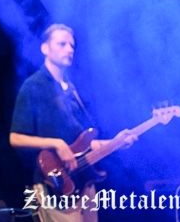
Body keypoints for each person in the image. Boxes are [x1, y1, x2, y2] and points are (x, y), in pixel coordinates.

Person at [9, 23, 136, 222]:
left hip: (84, 183)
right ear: (45, 48)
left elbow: (84, 143)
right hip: (55, 185)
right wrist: (56, 144)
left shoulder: (71, 90)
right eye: (62, 44)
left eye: (72, 45)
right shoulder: (33, 86)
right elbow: (15, 138)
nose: (69, 49)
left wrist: (116, 142)